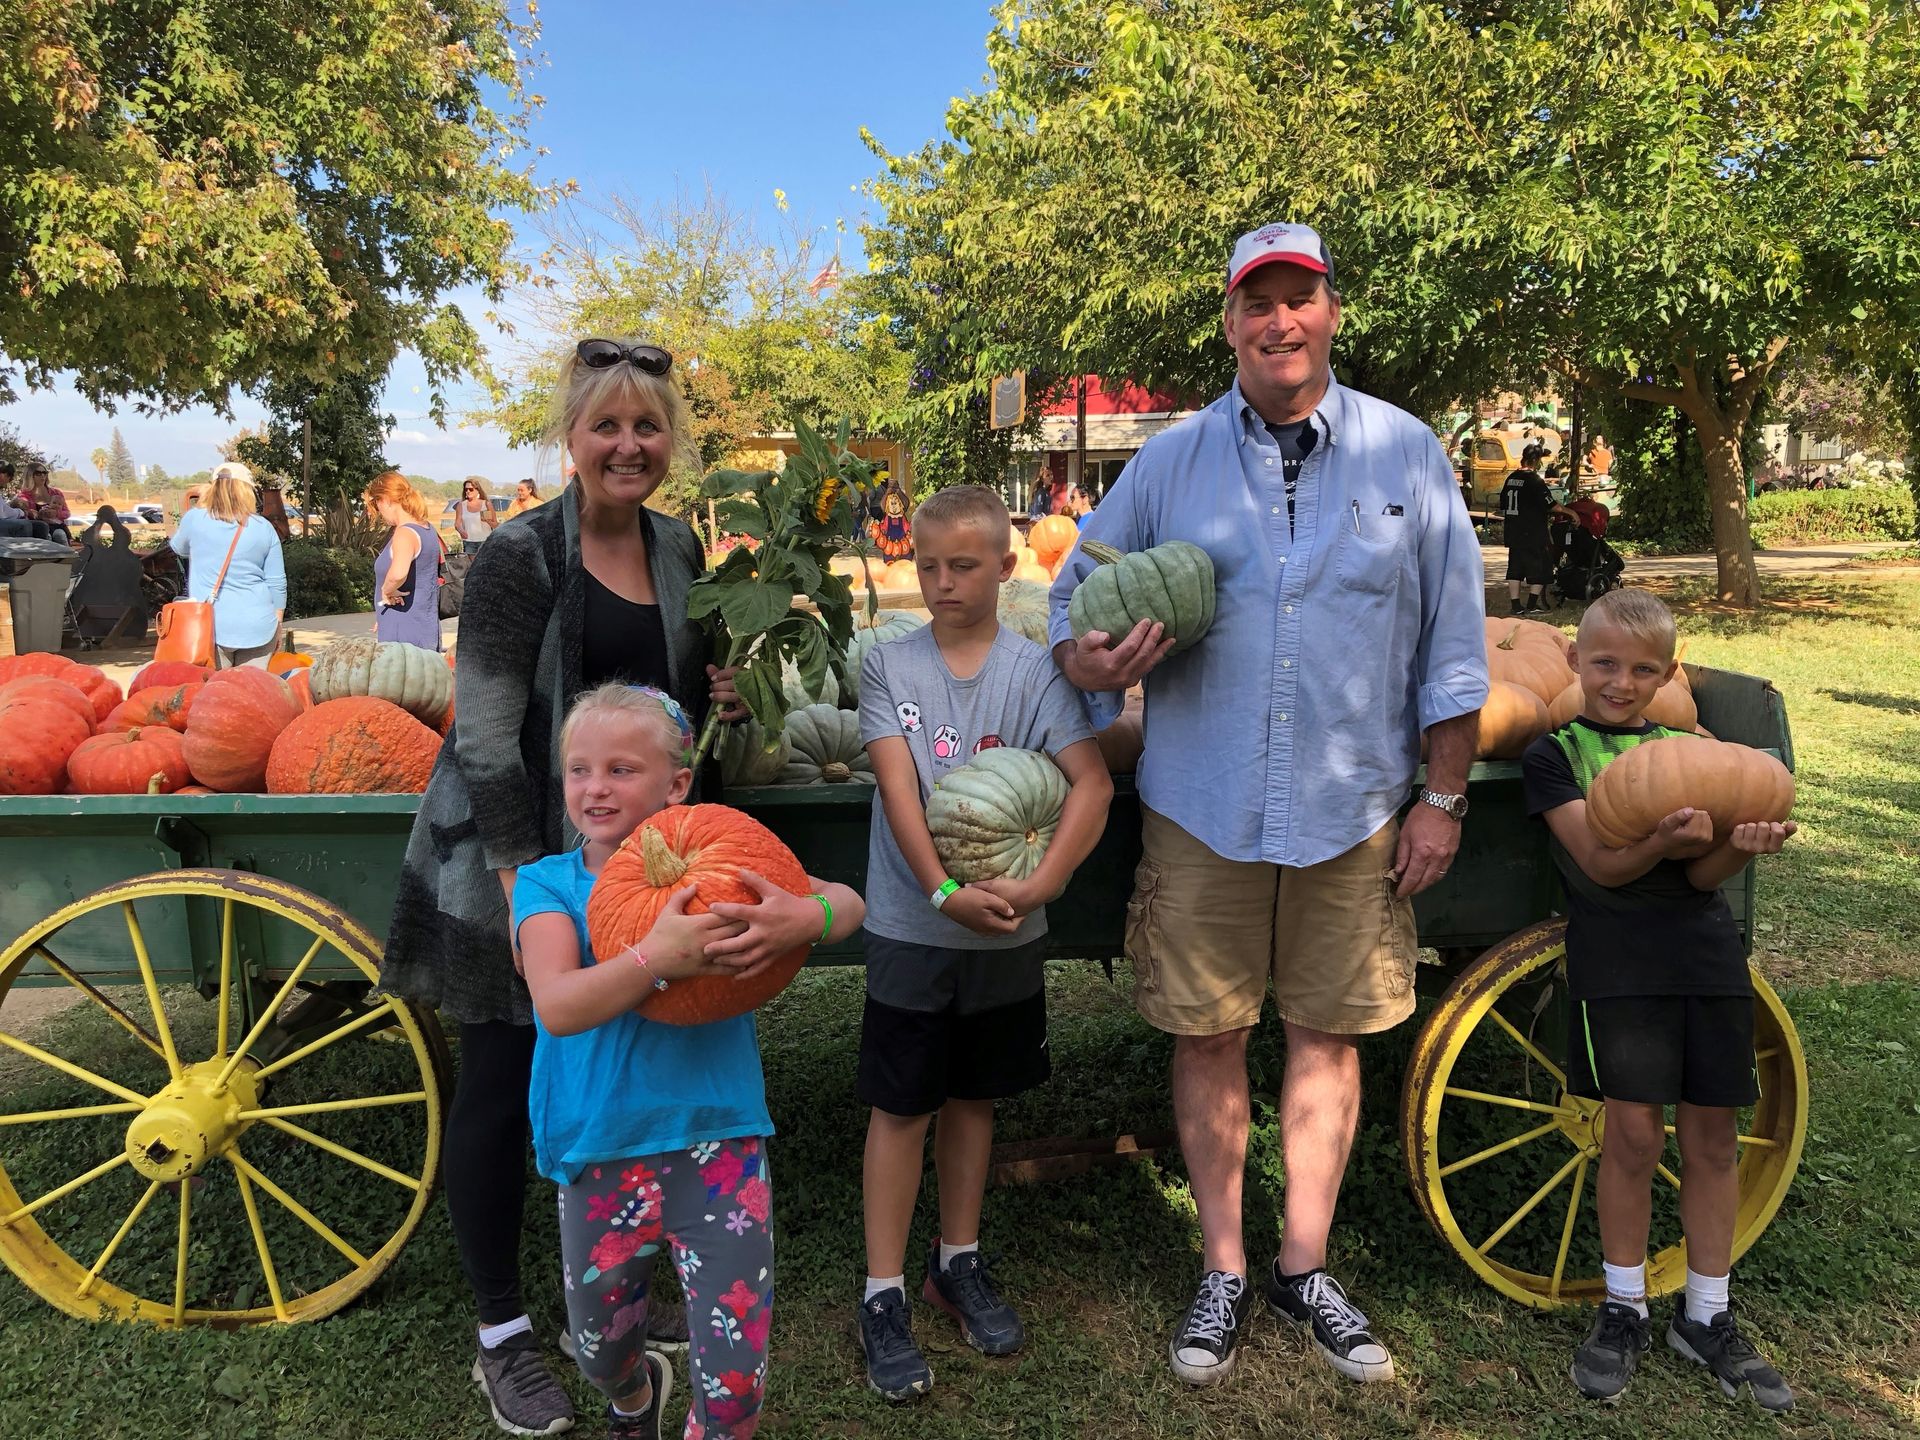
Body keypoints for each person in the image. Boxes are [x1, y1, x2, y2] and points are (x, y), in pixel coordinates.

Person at [1048, 221, 1488, 1387]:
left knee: (1327, 1035)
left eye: (1298, 297)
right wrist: (1097, 665)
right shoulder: (1171, 462)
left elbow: (1454, 644)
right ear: (1232, 322)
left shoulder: (1407, 455)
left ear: (1331, 309)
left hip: (1356, 805)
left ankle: (1306, 1263)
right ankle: (1228, 1266)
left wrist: (1443, 795)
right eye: (1257, 302)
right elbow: (1069, 605)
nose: (1278, 321)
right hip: (1204, 802)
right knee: (1210, 1031)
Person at [380, 336, 743, 1438]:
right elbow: (486, 732)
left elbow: (683, 716)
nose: (628, 445)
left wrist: (723, 686)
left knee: (626, 1062)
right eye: (606, 426)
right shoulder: (518, 556)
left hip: (629, 858)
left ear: (668, 441)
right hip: (511, 852)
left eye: (648, 427)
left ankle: (619, 1295)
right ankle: (502, 1333)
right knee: (502, 1082)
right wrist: (530, 890)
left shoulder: (683, 549)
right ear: (571, 436)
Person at [517, 682, 866, 1437]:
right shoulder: (548, 884)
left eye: (620, 769)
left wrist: (811, 914)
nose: (595, 787)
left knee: (737, 1385)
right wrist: (656, 957)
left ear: (676, 783)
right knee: (599, 1350)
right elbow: (559, 1005)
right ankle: (634, 1395)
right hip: (599, 1148)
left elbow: (846, 902)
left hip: (720, 1145)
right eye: (579, 770)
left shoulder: (725, 863)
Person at [852, 485, 1112, 1402]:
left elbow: (1091, 787)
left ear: (1008, 567)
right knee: (902, 1105)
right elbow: (898, 791)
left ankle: (955, 1260)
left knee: (973, 1099)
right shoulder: (888, 667)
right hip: (913, 925)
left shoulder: (1037, 672)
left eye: (963, 565)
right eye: (926, 566)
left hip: (1008, 927)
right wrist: (943, 890)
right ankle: (883, 1291)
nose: (943, 582)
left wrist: (1042, 886)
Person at [1520, 588, 1796, 1412]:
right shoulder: (1553, 755)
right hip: (1620, 958)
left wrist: (1736, 848)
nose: (1620, 682)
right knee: (1634, 1137)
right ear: (1574, 661)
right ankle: (1623, 1304)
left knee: (1712, 1138)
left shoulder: (1690, 745)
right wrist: (1659, 841)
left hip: (1706, 954)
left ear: (1668, 675)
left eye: (1643, 670)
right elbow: (1601, 869)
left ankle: (1707, 1315)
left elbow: (1704, 876)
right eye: (1604, 664)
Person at [168, 462, 286, 667]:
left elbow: (179, 548)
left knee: (216, 694)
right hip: (258, 624)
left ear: (212, 489)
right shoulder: (263, 527)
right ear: (247, 491)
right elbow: (277, 582)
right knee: (251, 693)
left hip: (210, 626)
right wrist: (277, 623)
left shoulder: (194, 519)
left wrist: (202, 504)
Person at [365, 471, 445, 651]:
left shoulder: (405, 533)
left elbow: (398, 573)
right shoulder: (427, 528)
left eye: (377, 506)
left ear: (385, 499)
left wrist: (386, 592)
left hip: (405, 630)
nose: (380, 513)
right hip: (422, 623)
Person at [1501, 442, 1556, 615]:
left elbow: (1503, 503)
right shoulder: (1534, 480)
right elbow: (1551, 505)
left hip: (1513, 531)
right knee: (1541, 567)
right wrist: (1570, 512)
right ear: (1536, 460)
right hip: (1533, 532)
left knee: (1515, 568)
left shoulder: (1511, 478)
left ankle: (1516, 606)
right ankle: (1532, 605)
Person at [19, 462, 71, 544]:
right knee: (47, 538)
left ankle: (67, 556)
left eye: (44, 473)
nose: (43, 475)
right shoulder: (23, 496)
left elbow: (67, 513)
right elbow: (22, 516)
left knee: (60, 535)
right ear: (30, 475)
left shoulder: (56, 493)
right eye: (38, 473)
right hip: (38, 533)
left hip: (58, 528)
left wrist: (56, 513)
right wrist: (35, 514)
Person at [455, 477, 499, 546]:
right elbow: (457, 524)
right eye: (466, 489)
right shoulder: (461, 505)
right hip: (469, 541)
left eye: (471, 489)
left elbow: (496, 525)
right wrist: (461, 531)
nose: (468, 491)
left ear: (477, 490)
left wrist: (487, 520)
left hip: (485, 541)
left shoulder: (486, 504)